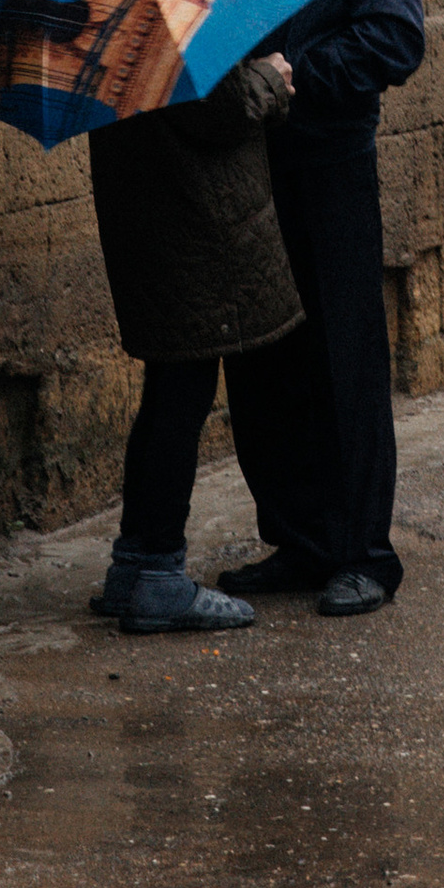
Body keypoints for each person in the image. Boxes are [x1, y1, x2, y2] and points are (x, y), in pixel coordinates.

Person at [221, 0, 424, 616]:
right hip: (252, 166)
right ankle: (301, 539)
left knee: (346, 354)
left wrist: (300, 74)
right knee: (265, 359)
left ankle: (365, 552)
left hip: (333, 164)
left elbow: (398, 38)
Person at [85, 51, 303, 632]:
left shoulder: (119, 16)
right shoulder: (170, 10)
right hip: (189, 220)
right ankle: (158, 573)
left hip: (150, 214)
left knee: (167, 389)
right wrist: (268, 80)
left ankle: (134, 565)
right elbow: (218, 110)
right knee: (182, 392)